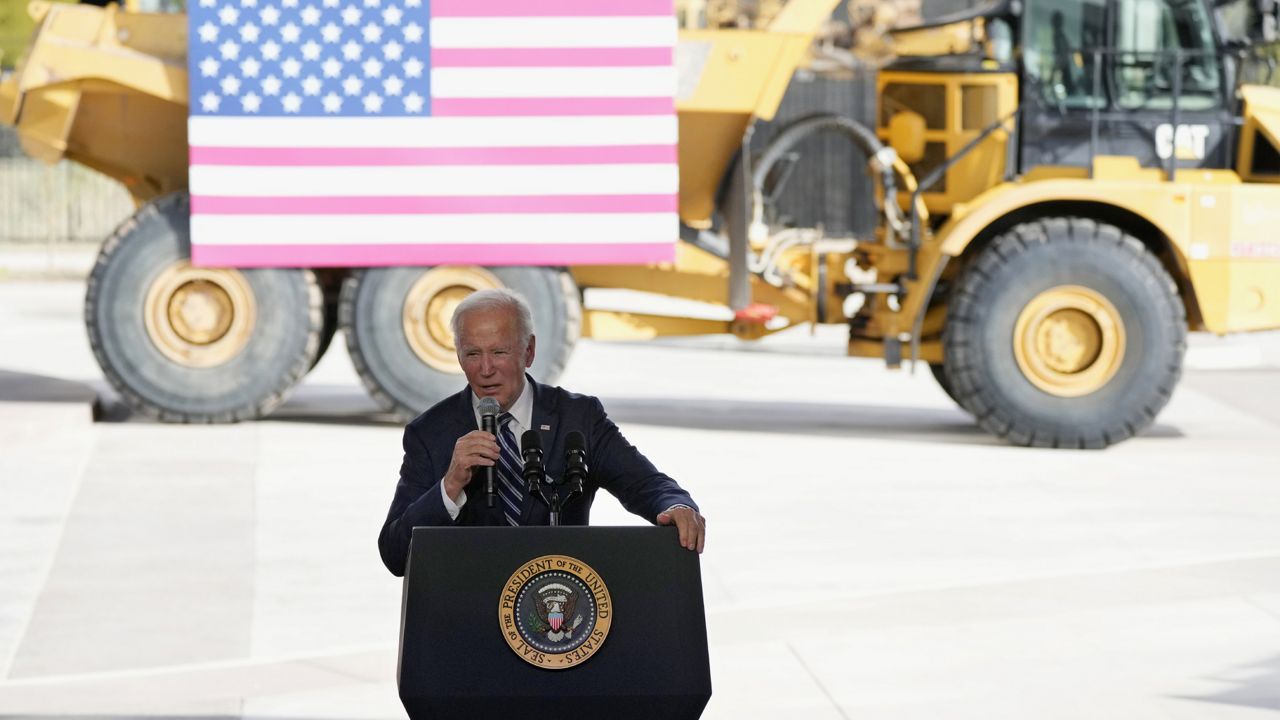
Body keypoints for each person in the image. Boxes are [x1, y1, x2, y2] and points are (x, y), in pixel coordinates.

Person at [378, 288, 706, 576]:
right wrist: (449, 487)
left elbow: (647, 485)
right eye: (473, 354)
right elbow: (394, 554)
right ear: (459, 355)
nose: (486, 369)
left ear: (529, 351)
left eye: (500, 352)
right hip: (470, 619)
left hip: (561, 614)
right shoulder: (431, 433)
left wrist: (677, 506)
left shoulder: (578, 418)